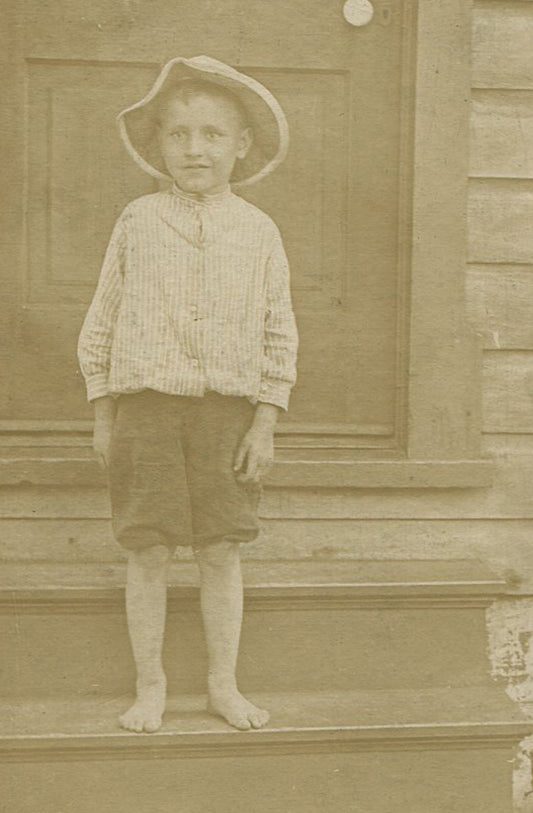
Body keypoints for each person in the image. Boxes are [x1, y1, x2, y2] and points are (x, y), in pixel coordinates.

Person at [77, 56, 298, 734]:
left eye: (210, 134)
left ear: (240, 144)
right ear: (158, 146)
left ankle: (222, 685)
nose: (194, 149)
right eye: (177, 134)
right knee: (146, 547)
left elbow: (276, 328)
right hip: (146, 407)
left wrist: (264, 421)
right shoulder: (138, 220)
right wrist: (103, 411)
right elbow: (103, 319)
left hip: (227, 414)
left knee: (219, 548)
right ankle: (151, 686)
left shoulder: (257, 230)